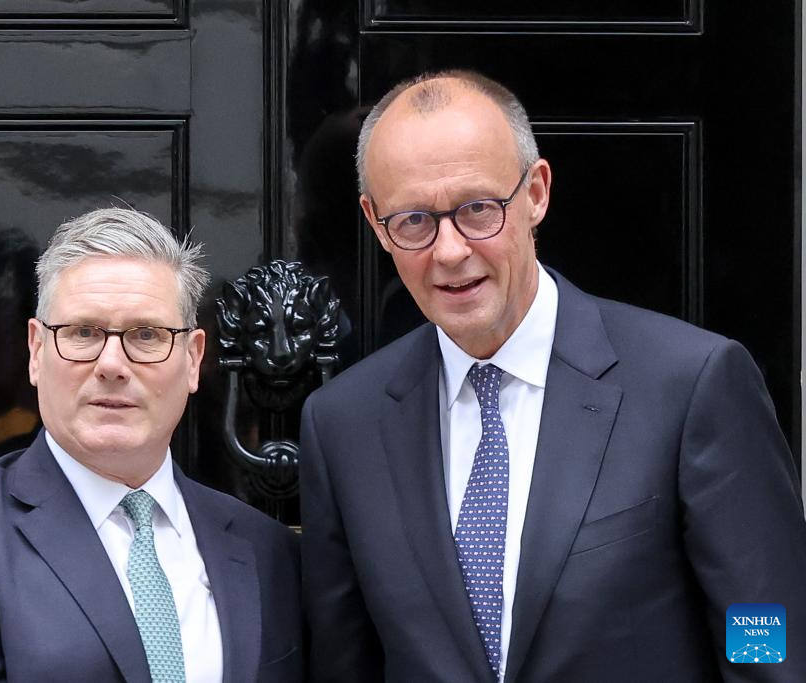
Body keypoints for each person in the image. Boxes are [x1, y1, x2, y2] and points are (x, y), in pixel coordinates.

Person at [299, 70, 806, 682]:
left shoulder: (691, 384)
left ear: (536, 193)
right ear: (376, 223)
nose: (450, 251)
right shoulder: (343, 425)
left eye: (478, 210)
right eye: (413, 221)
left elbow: (762, 637)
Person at [0, 208, 302, 683]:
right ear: (36, 352)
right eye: (83, 333)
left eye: (146, 335)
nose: (112, 364)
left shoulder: (267, 550)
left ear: (193, 359)